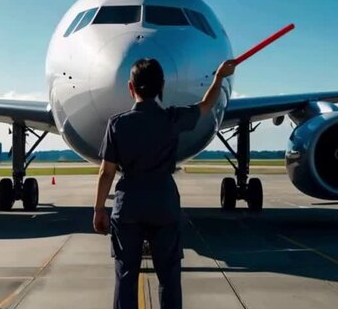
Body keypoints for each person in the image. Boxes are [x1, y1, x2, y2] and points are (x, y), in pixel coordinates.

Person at [93, 58, 236, 309]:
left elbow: (106, 172)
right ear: (162, 87)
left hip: (129, 206)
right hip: (163, 203)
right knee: (169, 276)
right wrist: (219, 77)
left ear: (130, 87)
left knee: (126, 275)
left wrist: (99, 209)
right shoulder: (172, 119)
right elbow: (206, 105)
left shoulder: (117, 124)